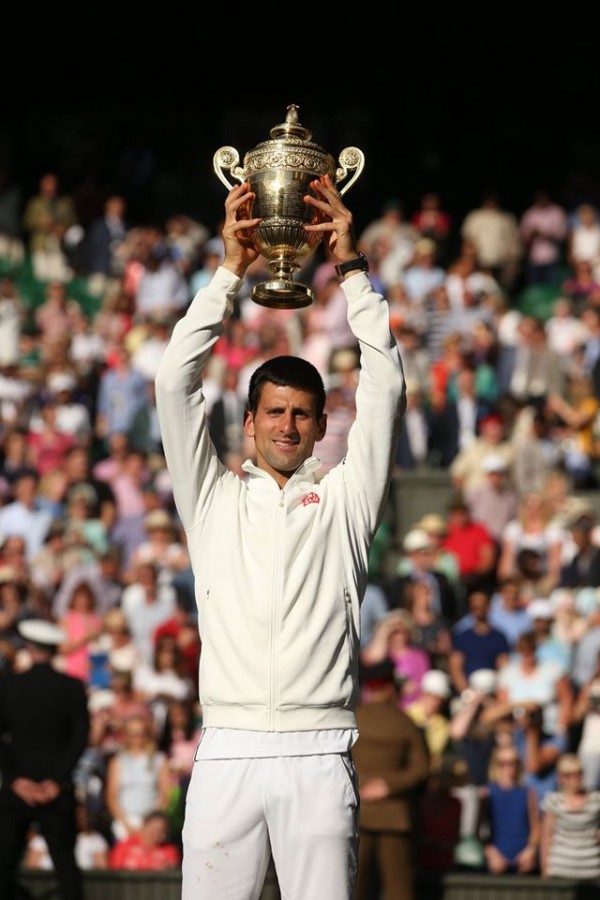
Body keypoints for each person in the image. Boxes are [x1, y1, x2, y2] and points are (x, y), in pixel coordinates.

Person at [154, 175, 406, 900]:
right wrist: (230, 270)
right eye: (274, 412)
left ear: (323, 425)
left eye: (302, 414)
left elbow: (385, 388)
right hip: (226, 753)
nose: (287, 426)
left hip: (319, 754)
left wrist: (351, 268)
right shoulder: (212, 500)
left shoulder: (347, 501)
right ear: (251, 421)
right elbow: (175, 382)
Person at [0, 619, 90, 900]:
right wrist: (57, 780)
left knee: (4, 864)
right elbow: (80, 739)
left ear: (29, 647)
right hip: (56, 791)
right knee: (65, 867)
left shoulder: (8, 685)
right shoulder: (72, 687)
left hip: (18, 790)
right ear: (54, 649)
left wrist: (16, 779)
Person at [353, 660, 430, 900]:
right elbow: (421, 769)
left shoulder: (353, 718)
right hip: (395, 816)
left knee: (354, 887)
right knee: (400, 889)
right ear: (389, 688)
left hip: (359, 811)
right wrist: (388, 785)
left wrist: (362, 787)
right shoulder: (404, 722)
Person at [540, 752, 600, 880]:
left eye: (578, 774)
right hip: (560, 869)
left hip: (591, 871)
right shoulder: (553, 800)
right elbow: (546, 837)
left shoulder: (596, 800)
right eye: (569, 775)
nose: (575, 779)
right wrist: (545, 870)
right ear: (560, 778)